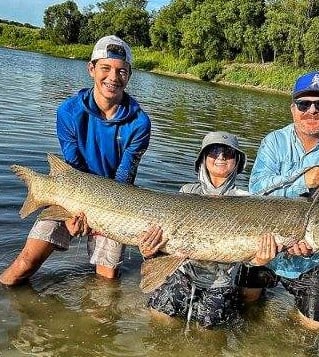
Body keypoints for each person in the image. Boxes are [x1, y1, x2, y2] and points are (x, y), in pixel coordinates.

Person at [0, 35, 151, 285]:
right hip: (69, 193)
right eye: (105, 68)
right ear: (91, 69)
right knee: (24, 264)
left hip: (117, 203)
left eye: (121, 71)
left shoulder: (140, 122)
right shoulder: (68, 111)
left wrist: (100, 217)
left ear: (129, 75)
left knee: (108, 280)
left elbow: (125, 176)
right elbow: (73, 166)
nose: (113, 77)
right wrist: (75, 213)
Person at [247, 71, 319, 330]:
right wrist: (302, 181)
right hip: (265, 246)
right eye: (304, 104)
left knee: (311, 331)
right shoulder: (273, 142)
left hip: (314, 259)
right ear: (293, 109)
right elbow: (255, 193)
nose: (312, 111)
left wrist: (316, 247)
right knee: (245, 305)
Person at [138, 131, 278, 329]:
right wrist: (148, 251)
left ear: (237, 161)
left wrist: (259, 260)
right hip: (182, 274)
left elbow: (249, 256)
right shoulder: (186, 192)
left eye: (228, 152)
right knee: (158, 319)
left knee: (210, 337)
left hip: (220, 283)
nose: (220, 156)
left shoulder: (247, 200)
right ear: (203, 159)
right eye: (213, 151)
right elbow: (167, 244)